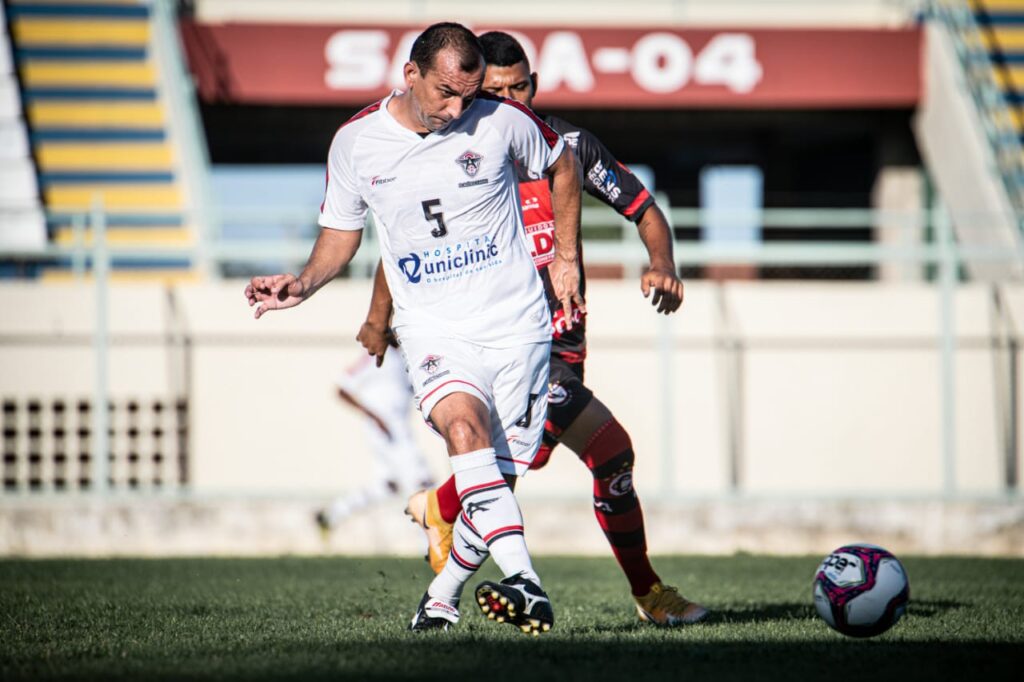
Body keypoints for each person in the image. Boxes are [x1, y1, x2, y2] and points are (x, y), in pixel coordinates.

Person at [244, 22, 583, 635]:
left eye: (469, 94)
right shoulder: (356, 143)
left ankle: (441, 598)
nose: (458, 110)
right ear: (410, 75)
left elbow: (563, 165)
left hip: (517, 327)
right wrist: (304, 282)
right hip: (432, 328)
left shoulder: (500, 120)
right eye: (446, 94)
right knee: (462, 430)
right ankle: (527, 581)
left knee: (492, 483)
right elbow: (342, 233)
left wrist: (565, 256)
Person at [359, 31, 707, 627]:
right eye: (494, 91)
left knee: (517, 466)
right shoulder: (457, 149)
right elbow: (404, 242)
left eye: (519, 86)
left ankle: (441, 514)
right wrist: (378, 318)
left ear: (534, 85)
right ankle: (645, 594)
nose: (509, 99)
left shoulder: (567, 146)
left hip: (563, 341)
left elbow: (645, 209)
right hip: (501, 337)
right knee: (600, 452)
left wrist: (662, 264)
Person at [314, 349, 434, 532]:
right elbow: (341, 389)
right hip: (387, 430)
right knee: (421, 482)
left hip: (400, 428)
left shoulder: (407, 356)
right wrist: (374, 416)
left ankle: (330, 515)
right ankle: (429, 544)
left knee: (388, 486)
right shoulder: (376, 355)